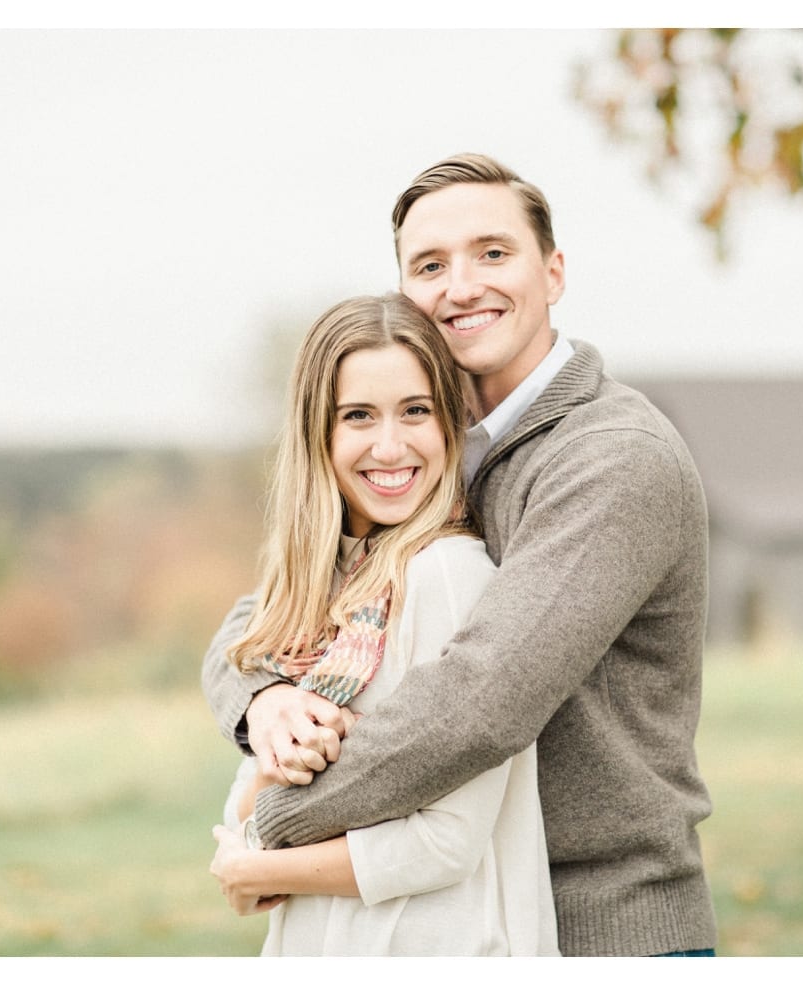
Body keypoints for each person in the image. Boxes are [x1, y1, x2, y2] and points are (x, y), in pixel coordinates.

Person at [203, 154, 717, 956]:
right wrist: (260, 700)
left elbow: (478, 704)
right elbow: (268, 612)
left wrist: (271, 822)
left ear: (553, 271)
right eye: (431, 265)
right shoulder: (438, 450)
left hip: (602, 924)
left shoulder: (612, 457)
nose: (463, 285)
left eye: (493, 253)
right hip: (461, 912)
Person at [207, 292, 558, 957]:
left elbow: (447, 838)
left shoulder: (447, 575)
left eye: (415, 411)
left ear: (449, 425)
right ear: (321, 433)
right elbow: (243, 813)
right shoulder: (318, 588)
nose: (390, 446)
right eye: (359, 416)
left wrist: (260, 867)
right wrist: (278, 721)